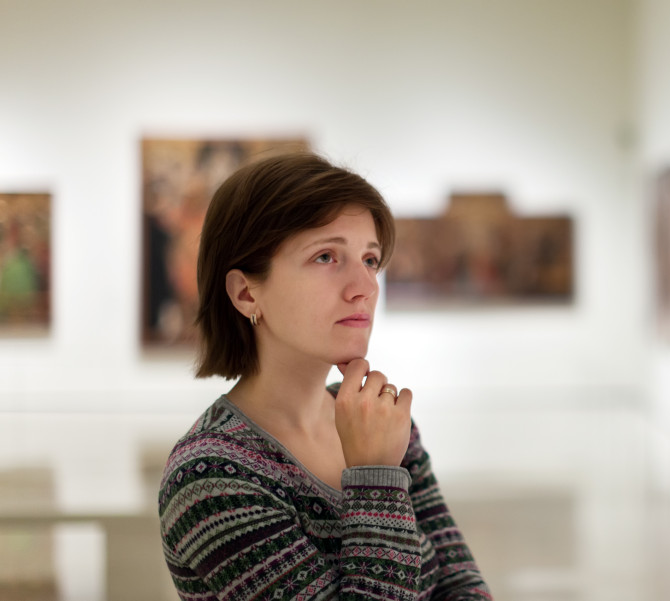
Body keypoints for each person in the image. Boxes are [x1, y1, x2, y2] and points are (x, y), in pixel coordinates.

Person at [158, 151, 492, 600]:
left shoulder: (384, 422)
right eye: (326, 257)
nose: (366, 286)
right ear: (245, 292)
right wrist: (375, 476)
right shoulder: (211, 479)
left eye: (370, 259)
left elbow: (462, 585)